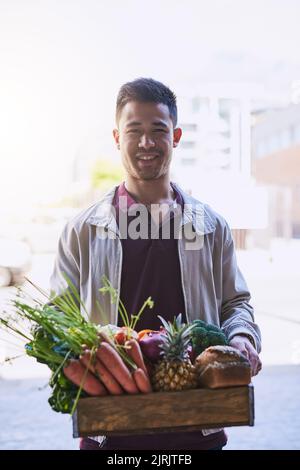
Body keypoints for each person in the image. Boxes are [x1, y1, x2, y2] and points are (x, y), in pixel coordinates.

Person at [49, 78, 262, 450]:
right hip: (108, 434)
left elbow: (236, 304)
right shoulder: (81, 231)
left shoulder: (211, 227)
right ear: (117, 138)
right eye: (134, 131)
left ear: (175, 136)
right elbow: (57, 318)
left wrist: (243, 338)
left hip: (198, 430)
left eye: (158, 130)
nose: (146, 143)